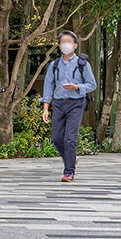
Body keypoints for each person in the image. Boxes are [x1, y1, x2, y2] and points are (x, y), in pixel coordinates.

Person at [41, 30, 97, 182]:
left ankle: (69, 171)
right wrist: (46, 108)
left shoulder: (82, 64)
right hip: (59, 103)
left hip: (76, 103)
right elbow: (48, 86)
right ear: (59, 46)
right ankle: (70, 159)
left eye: (69, 42)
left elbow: (92, 84)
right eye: (63, 42)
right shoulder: (54, 65)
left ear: (75, 45)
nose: (66, 44)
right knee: (57, 138)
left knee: (70, 138)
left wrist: (77, 87)